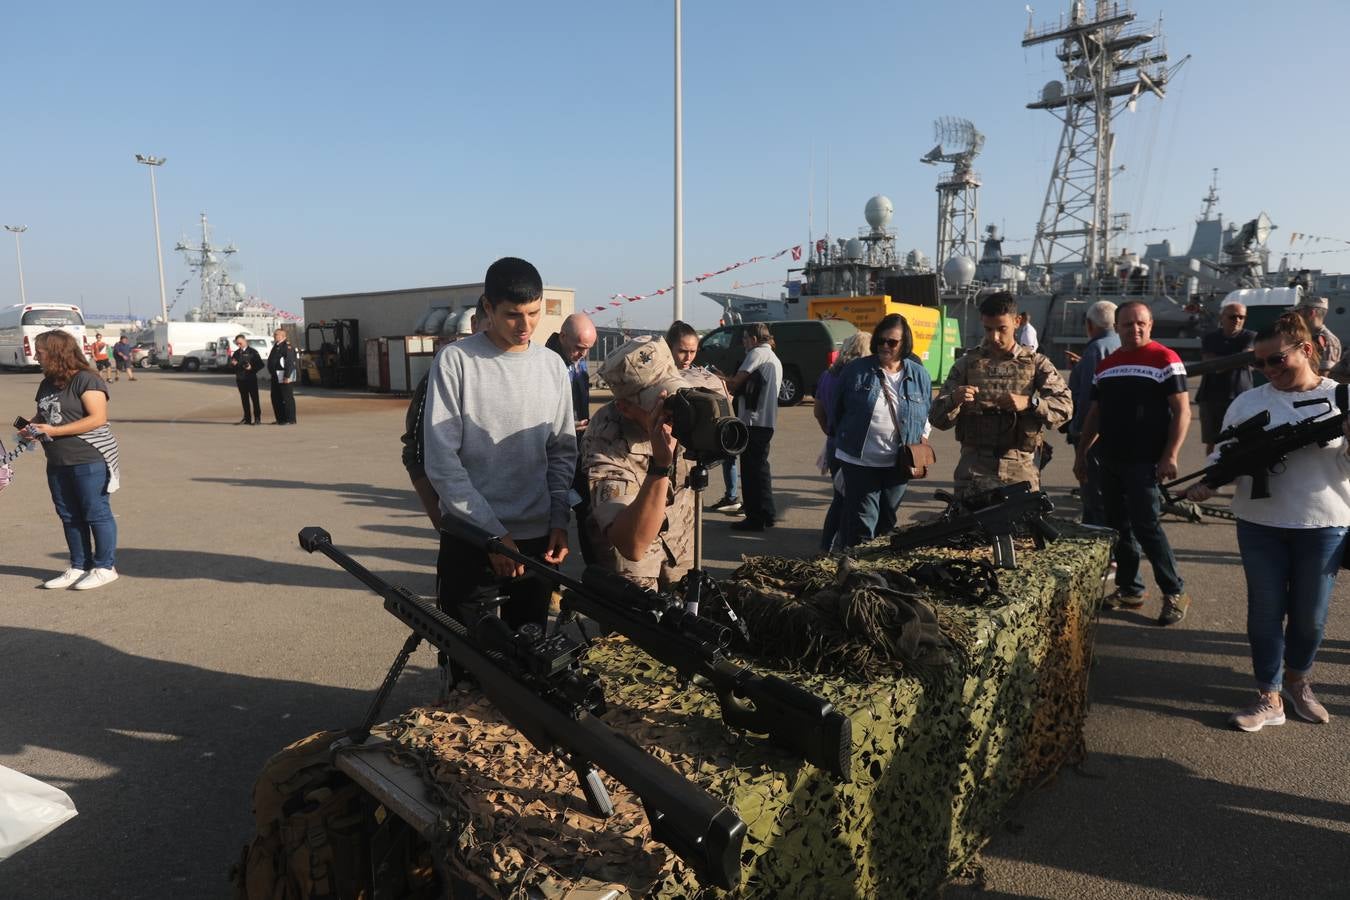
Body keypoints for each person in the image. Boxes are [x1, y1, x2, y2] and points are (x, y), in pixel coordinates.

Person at [1185, 312, 1350, 731]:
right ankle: (1269, 694)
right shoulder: (1249, 403)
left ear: (1307, 350)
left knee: (1310, 615)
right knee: (1264, 611)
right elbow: (1224, 456)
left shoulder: (1340, 398)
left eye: (1276, 360)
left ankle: (1298, 681)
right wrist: (1209, 482)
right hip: (1260, 523)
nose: (1268, 371)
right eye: (1259, 364)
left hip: (1324, 524)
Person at [423, 256, 575, 639]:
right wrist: (491, 535)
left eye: (535, 313)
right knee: (471, 668)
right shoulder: (456, 362)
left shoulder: (553, 367)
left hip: (536, 543)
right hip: (472, 542)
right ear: (487, 307)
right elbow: (442, 464)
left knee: (530, 664)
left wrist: (559, 517)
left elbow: (561, 450)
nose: (526, 326)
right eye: (512, 315)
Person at [1073, 300, 1191, 625]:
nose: (1134, 329)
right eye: (1127, 324)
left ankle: (1174, 592)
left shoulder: (1165, 359)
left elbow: (1182, 411)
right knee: (1118, 528)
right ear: (1118, 327)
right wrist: (1082, 452)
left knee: (1147, 527)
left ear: (1150, 324)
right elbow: (1095, 414)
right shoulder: (1107, 364)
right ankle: (1130, 589)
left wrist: (1170, 454)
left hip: (1145, 461)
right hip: (1110, 458)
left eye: (1140, 323)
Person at [929, 293, 1072, 496]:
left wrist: (1031, 403)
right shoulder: (966, 365)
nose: (994, 337)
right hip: (973, 472)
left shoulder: (1036, 364)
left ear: (1017, 322)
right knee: (971, 527)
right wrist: (954, 400)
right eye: (988, 329)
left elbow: (1065, 407)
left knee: (1020, 527)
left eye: (1001, 329)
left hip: (1019, 471)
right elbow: (936, 418)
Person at [583, 336, 695, 590]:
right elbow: (631, 544)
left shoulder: (689, 409)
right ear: (625, 408)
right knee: (639, 624)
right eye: (659, 404)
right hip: (635, 570)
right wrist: (660, 466)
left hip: (681, 550)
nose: (672, 413)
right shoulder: (606, 437)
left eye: (674, 397)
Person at [18, 330, 121, 590]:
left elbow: (97, 418)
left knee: (95, 512)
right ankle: (79, 565)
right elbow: (45, 415)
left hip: (89, 458)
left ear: (55, 352)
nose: (35, 356)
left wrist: (53, 431)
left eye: (39, 352)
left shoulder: (87, 379)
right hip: (57, 460)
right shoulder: (47, 383)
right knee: (68, 514)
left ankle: (105, 567)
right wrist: (31, 427)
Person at [832, 314, 932, 548]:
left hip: (899, 462)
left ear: (904, 344)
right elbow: (838, 409)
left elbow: (928, 412)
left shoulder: (919, 375)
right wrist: (844, 437)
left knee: (887, 519)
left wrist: (922, 439)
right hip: (859, 461)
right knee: (864, 520)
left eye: (892, 342)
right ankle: (857, 568)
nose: (885, 347)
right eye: (881, 341)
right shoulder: (856, 370)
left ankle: (879, 566)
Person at [402, 297, 488, 530]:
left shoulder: (535, 372)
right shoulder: (442, 375)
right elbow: (416, 454)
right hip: (468, 527)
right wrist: (440, 520)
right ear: (473, 324)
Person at [546, 313, 598, 563]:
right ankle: (551, 585)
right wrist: (565, 423)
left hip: (578, 448)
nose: (583, 354)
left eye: (588, 349)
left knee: (587, 509)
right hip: (551, 453)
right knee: (551, 518)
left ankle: (594, 576)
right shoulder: (544, 363)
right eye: (579, 348)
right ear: (563, 336)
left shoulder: (578, 360)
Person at [720, 323, 782, 532]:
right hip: (767, 422)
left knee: (750, 472)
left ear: (755, 339)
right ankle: (767, 513)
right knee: (761, 470)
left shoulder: (756, 353)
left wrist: (718, 378)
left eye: (746, 338)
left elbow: (735, 383)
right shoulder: (773, 357)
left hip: (753, 421)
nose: (744, 342)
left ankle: (754, 518)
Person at [1065, 300, 1120, 526]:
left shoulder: (1095, 350)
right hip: (1113, 433)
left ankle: (1101, 547)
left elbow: (1088, 400)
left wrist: (1077, 432)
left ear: (1089, 324)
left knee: (1093, 495)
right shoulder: (1118, 343)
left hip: (1092, 436)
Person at [814, 331, 870, 551]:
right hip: (853, 447)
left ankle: (826, 546)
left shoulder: (828, 374)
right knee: (852, 503)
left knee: (839, 499)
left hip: (833, 442)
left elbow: (818, 411)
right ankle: (841, 548)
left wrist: (830, 431)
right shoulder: (860, 375)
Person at [1196, 301, 1256, 454]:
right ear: (1222, 317)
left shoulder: (1250, 336)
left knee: (1241, 440)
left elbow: (1245, 358)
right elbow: (1211, 365)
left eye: (1241, 317)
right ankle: (1212, 473)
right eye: (1233, 317)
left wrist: (1221, 361)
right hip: (1211, 397)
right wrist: (1238, 360)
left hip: (1240, 397)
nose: (1237, 320)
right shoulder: (1210, 338)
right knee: (1213, 442)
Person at [1294, 295, 1341, 375]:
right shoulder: (1308, 336)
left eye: (1298, 312)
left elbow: (1324, 376)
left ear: (1311, 313)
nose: (1296, 316)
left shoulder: (1327, 339)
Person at [229, 334, 265, 425]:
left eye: (240, 343)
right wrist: (233, 364)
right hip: (241, 379)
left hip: (251, 379)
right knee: (244, 399)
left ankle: (257, 418)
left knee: (255, 399)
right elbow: (232, 367)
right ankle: (247, 418)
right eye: (237, 344)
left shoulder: (253, 352)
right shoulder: (236, 353)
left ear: (245, 341)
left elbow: (261, 364)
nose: (239, 345)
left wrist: (251, 368)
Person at [266, 328, 298, 425]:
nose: (274, 335)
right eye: (274, 334)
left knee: (287, 397)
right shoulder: (276, 346)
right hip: (276, 376)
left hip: (284, 376)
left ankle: (290, 419)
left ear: (283, 336)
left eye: (276, 334)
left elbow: (289, 362)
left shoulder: (287, 347)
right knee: (276, 397)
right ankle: (280, 419)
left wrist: (287, 376)